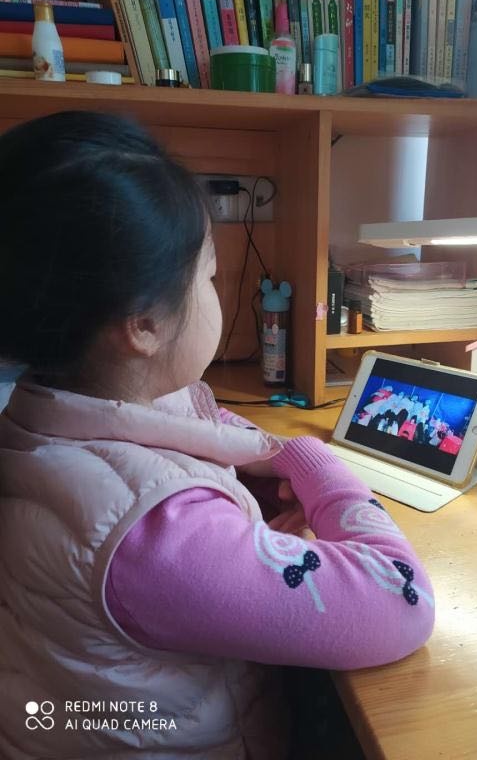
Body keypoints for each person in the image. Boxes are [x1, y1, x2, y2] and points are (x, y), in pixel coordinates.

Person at [0, 112, 435, 760]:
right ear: (144, 325)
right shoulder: (160, 537)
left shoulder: (37, 412)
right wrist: (318, 464)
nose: (215, 289)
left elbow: (190, 423)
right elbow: (401, 602)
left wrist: (254, 463)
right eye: (208, 275)